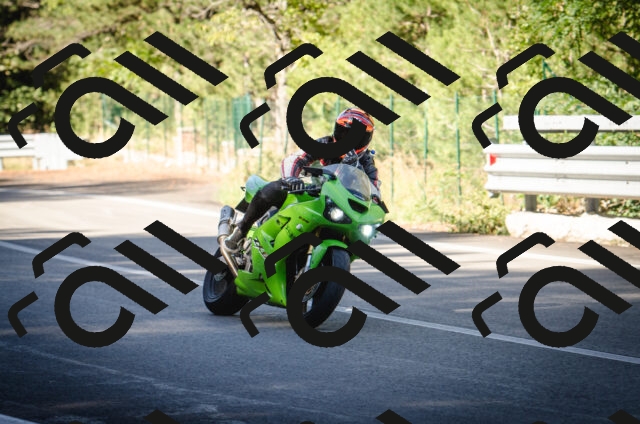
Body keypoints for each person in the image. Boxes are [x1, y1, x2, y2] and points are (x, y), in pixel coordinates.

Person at [224, 107, 380, 251]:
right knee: (275, 188)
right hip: (306, 192)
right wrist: (291, 179)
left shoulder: (366, 162)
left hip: (337, 204)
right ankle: (241, 230)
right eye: (344, 133)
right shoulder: (324, 144)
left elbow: (374, 191)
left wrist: (357, 168)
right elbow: (295, 159)